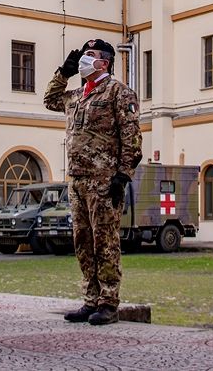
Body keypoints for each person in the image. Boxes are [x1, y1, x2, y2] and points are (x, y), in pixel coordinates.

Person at [44, 38, 142, 326]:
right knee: (83, 242)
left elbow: (132, 138)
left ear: (104, 62)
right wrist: (64, 71)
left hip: (104, 181)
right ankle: (91, 299)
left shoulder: (118, 93)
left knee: (105, 242)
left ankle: (109, 303)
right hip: (77, 180)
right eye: (83, 55)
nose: (84, 59)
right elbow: (50, 100)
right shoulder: (77, 95)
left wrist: (123, 176)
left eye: (90, 55)